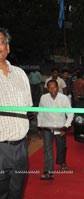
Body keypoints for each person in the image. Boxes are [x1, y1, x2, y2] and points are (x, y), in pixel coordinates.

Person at [0, 27, 33, 199]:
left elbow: (27, 105)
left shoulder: (20, 74)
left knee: (17, 191)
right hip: (0, 148)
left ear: (8, 47)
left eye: (1, 42)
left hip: (21, 147)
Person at [38, 80, 74, 180]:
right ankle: (48, 172)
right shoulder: (43, 98)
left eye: (54, 87)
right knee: (47, 149)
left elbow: (70, 114)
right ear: (47, 88)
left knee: (61, 147)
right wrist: (39, 126)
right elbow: (40, 113)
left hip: (60, 127)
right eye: (50, 88)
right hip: (47, 126)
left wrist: (66, 127)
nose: (52, 89)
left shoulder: (64, 98)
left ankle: (62, 162)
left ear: (58, 88)